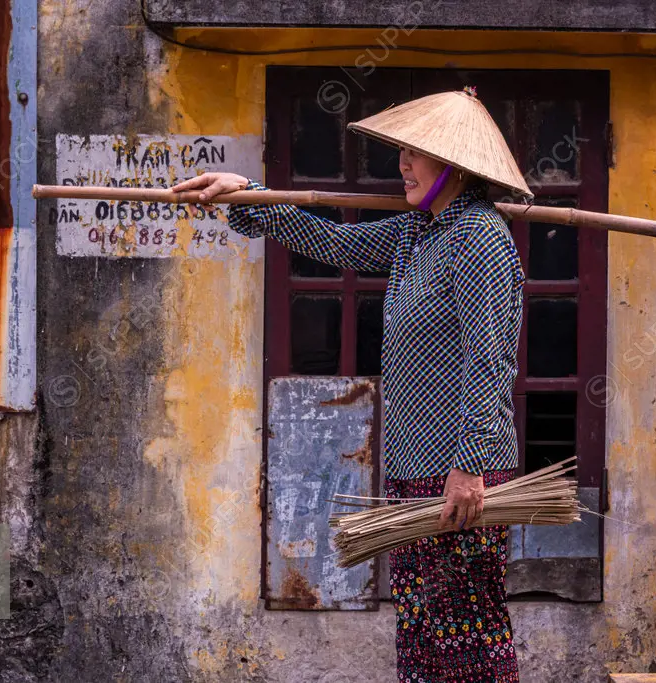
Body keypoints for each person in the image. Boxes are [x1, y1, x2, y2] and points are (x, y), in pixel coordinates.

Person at [171, 86, 531, 683]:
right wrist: (253, 194)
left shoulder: (479, 239)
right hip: (417, 471)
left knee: (466, 639)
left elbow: (490, 363)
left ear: (456, 166)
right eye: (404, 153)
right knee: (424, 637)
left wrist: (468, 465)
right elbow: (335, 243)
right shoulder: (420, 233)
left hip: (464, 478)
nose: (403, 165)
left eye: (417, 154)